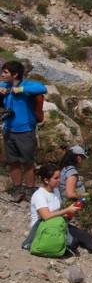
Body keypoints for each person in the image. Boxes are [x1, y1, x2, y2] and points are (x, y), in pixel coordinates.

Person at [25, 163, 92, 262]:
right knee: (82, 237)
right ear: (46, 180)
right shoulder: (39, 195)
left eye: (59, 177)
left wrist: (70, 212)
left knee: (83, 233)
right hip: (43, 228)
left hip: (56, 223)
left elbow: (57, 212)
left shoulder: (55, 191)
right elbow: (46, 216)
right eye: (56, 178)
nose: (59, 181)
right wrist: (67, 210)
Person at [0, 61, 48, 203]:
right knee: (13, 161)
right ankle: (17, 188)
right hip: (8, 130)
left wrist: (19, 90)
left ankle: (30, 189)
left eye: (5, 72)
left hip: (25, 131)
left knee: (28, 161)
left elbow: (42, 88)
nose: (2, 75)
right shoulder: (4, 86)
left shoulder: (26, 86)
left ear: (15, 74)